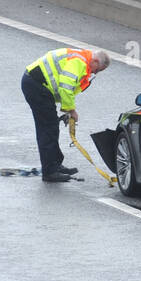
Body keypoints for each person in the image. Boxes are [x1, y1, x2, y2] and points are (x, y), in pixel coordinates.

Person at [21, 47, 110, 183]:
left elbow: (67, 87)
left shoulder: (83, 59)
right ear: (96, 61)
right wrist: (71, 110)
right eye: (97, 70)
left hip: (37, 85)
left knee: (50, 127)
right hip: (36, 85)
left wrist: (68, 108)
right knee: (47, 129)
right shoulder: (79, 62)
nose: (94, 73)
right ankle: (50, 172)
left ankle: (55, 165)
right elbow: (66, 87)